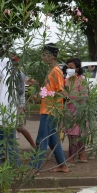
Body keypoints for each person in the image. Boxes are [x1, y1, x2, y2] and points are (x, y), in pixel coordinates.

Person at [31, 43, 69, 173]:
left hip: (50, 110)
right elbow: (51, 90)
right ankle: (63, 165)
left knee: (42, 139)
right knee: (53, 140)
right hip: (48, 109)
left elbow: (60, 92)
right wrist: (42, 95)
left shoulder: (56, 71)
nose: (42, 57)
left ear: (51, 55)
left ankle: (34, 168)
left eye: (44, 54)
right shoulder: (51, 70)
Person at [0, 57, 20, 166]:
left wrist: (3, 118)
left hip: (6, 117)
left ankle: (14, 164)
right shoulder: (10, 76)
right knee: (2, 139)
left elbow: (6, 101)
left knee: (8, 141)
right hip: (8, 116)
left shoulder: (7, 79)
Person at [65, 58, 88, 165]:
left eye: (71, 68)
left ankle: (72, 158)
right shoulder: (67, 80)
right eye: (68, 67)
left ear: (77, 69)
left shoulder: (81, 80)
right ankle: (81, 156)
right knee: (75, 135)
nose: (69, 69)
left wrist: (68, 97)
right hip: (69, 111)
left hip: (79, 111)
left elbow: (83, 96)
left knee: (75, 135)